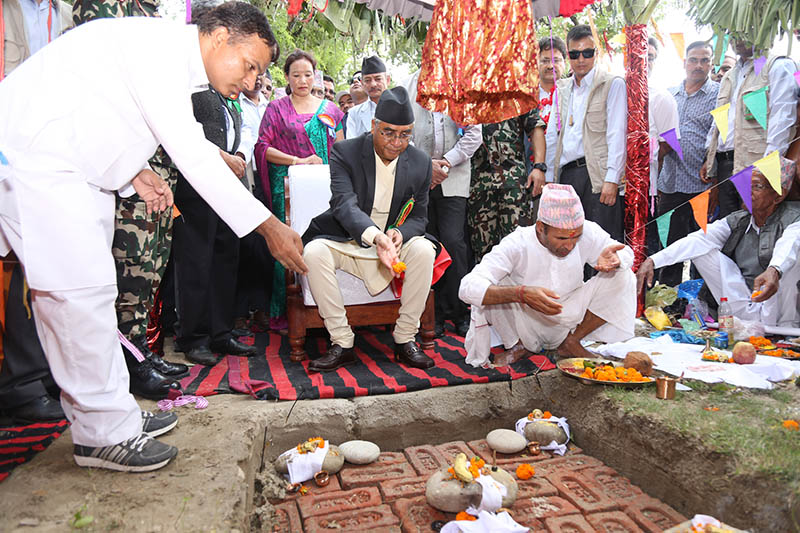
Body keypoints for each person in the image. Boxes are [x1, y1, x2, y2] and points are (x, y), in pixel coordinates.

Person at [0, 2, 307, 472]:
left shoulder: (168, 59)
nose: (250, 83)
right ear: (221, 35)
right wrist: (268, 226)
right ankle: (103, 433)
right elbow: (192, 153)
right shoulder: (160, 49)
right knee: (78, 295)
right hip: (40, 162)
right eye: (250, 66)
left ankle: (106, 417)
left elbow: (106, 112)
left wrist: (135, 170)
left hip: (73, 170)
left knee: (92, 294)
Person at [302, 87, 437, 372]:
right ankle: (342, 343)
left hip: (393, 243)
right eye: (388, 132)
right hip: (350, 238)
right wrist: (376, 236)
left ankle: (404, 339)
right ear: (374, 125)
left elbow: (420, 218)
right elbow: (344, 204)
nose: (396, 142)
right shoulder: (345, 151)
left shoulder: (421, 162)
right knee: (313, 252)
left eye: (405, 134)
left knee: (424, 249)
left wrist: (399, 233)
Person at [459, 184, 635, 367]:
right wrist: (521, 294)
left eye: (575, 238)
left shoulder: (587, 232)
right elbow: (467, 288)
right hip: (525, 320)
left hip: (570, 317)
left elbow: (625, 253)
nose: (570, 246)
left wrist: (617, 259)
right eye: (561, 239)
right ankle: (518, 346)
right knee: (495, 283)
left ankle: (571, 342)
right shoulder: (517, 243)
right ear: (541, 227)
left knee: (623, 274)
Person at [0, 0, 74, 423]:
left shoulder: (63, 13)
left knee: (40, 264)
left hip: (40, 151)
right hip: (10, 142)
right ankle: (21, 382)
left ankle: (34, 378)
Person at [638, 158, 800, 327]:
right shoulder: (738, 220)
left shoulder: (795, 218)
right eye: (746, 184)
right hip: (747, 307)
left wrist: (775, 270)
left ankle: (786, 328)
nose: (747, 191)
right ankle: (745, 322)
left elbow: (790, 243)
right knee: (701, 249)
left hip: (783, 312)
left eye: (757, 186)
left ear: (778, 196)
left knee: (791, 262)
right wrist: (653, 260)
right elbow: (698, 239)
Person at [254, 49, 344, 333]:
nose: (302, 80)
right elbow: (263, 149)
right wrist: (298, 161)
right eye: (296, 75)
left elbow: (342, 151)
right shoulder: (276, 109)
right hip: (288, 190)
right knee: (291, 247)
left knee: (326, 244)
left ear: (315, 76)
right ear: (286, 77)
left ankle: (327, 309)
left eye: (308, 74)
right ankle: (286, 312)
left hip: (326, 191)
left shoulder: (331, 110)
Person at [404, 69, 483, 338]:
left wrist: (446, 162)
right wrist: (428, 167)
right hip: (419, 177)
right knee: (427, 243)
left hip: (455, 175)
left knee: (454, 241)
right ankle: (432, 314)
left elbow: (474, 135)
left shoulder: (463, 84)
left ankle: (461, 312)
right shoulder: (410, 85)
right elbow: (404, 135)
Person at [544, 24, 627, 242]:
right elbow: (552, 137)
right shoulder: (561, 89)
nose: (581, 59)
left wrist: (612, 179)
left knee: (601, 244)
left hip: (597, 176)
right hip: (567, 176)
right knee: (568, 243)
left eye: (587, 53)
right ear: (568, 55)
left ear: (596, 54)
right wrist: (548, 179)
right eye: (574, 54)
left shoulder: (612, 84)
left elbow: (617, 135)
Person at [702, 38, 797, 219]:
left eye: (746, 31)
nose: (738, 38)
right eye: (733, 33)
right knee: (730, 226)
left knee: (758, 224)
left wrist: (765, 169)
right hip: (725, 163)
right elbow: (719, 120)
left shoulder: (776, 66)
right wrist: (710, 158)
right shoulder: (730, 75)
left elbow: (783, 119)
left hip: (756, 163)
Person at [657, 41, 720, 286]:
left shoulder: (718, 94)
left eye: (705, 60)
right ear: (684, 63)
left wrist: (715, 182)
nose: (698, 65)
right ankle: (667, 298)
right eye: (693, 59)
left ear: (711, 64)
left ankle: (699, 302)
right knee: (670, 246)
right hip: (670, 183)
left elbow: (719, 137)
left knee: (701, 249)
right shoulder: (669, 94)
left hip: (701, 185)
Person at [469, 108, 539, 262]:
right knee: (482, 250)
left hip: (513, 182)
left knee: (520, 245)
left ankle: (521, 286)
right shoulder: (468, 91)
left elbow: (535, 126)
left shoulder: (517, 88)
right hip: (478, 184)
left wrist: (539, 167)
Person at [530, 35, 567, 198]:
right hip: (532, 177)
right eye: (545, 60)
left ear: (565, 63)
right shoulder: (527, 97)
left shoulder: (573, 94)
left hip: (564, 176)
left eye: (557, 60)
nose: (551, 65)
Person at [346, 56, 391, 139]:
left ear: (387, 80)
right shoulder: (354, 113)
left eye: (378, 79)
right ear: (362, 84)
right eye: (367, 80)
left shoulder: (399, 107)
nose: (373, 84)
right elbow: (351, 145)